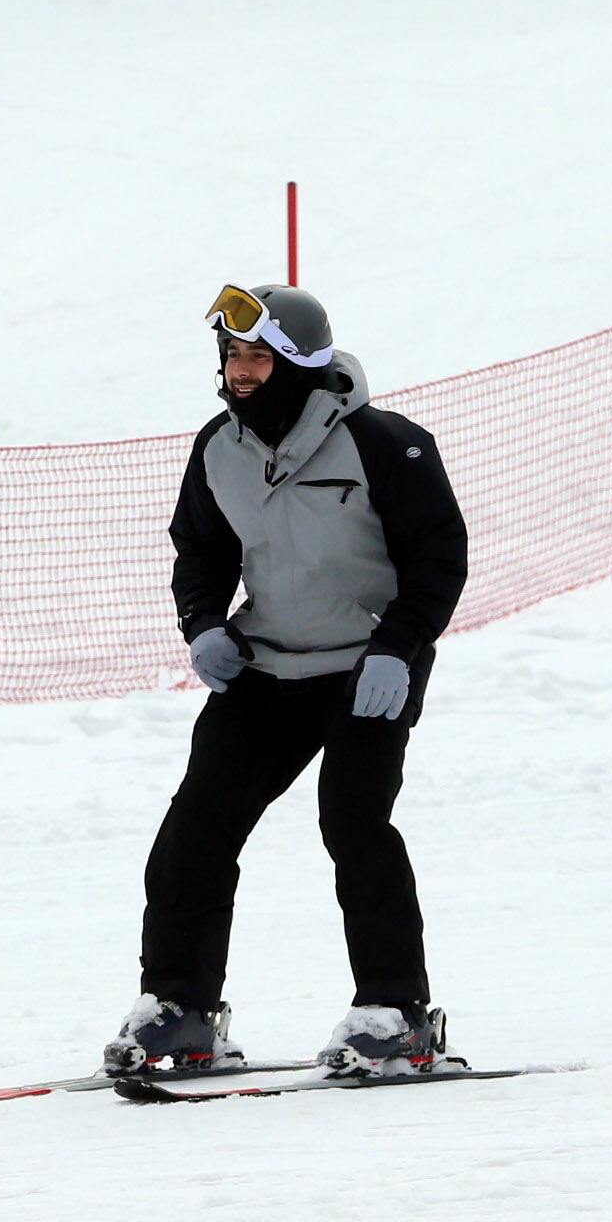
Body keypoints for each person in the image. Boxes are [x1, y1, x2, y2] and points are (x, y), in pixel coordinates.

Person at [104, 284, 470, 1079]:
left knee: (353, 824)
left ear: (298, 361)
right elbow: (200, 549)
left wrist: (397, 648)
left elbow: (438, 556)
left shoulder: (385, 445)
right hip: (267, 667)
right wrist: (202, 624)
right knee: (193, 832)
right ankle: (180, 1010)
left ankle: (395, 1014)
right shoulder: (218, 447)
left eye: (257, 356)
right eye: (232, 354)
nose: (239, 370)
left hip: (366, 667)